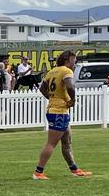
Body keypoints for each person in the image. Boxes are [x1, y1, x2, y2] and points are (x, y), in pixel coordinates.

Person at [33, 51, 92, 180]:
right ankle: (38, 172)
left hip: (57, 110)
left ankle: (74, 169)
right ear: (67, 60)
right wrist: (73, 101)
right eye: (73, 60)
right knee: (51, 143)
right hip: (58, 112)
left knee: (67, 141)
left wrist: (52, 98)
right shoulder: (66, 71)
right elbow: (70, 87)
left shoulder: (52, 71)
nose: (74, 63)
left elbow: (42, 88)